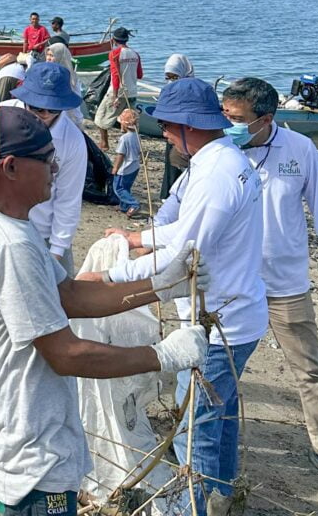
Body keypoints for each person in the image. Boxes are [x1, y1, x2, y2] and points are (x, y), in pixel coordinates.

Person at [0, 104, 208, 514]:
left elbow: (70, 295)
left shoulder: (6, 225)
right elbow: (65, 353)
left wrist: (161, 285)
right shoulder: (11, 246)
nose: (56, 169)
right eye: (48, 160)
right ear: (12, 167)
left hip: (26, 435)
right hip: (31, 450)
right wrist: (163, 356)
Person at [100, 78, 266, 514]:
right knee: (221, 415)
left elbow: (184, 257)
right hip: (238, 311)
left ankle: (197, 506)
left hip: (221, 321)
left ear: (191, 127)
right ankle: (224, 494)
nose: (167, 134)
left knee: (196, 428)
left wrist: (112, 276)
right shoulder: (218, 162)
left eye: (171, 127)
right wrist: (138, 237)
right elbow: (187, 227)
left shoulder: (217, 174)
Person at [221, 77, 318, 482]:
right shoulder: (221, 151)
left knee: (310, 369)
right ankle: (215, 443)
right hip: (233, 282)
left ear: (266, 119)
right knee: (221, 367)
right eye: (224, 115)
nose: (227, 124)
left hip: (286, 283)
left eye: (236, 118)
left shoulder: (300, 150)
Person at [0, 61, 86, 276]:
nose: (44, 114)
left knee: (60, 298)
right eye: (37, 107)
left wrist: (56, 253)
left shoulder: (73, 140)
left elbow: (68, 200)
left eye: (53, 109)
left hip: (44, 234)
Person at [94, 26, 141, 151]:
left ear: (114, 40)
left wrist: (115, 96)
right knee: (129, 121)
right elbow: (140, 75)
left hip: (119, 91)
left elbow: (115, 77)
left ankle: (104, 143)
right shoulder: (135, 54)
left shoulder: (114, 54)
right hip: (132, 91)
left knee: (100, 118)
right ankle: (131, 147)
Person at [160, 53, 194, 199]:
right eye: (168, 77)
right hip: (172, 133)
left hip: (189, 135)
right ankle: (168, 196)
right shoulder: (167, 90)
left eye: (174, 77)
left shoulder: (195, 89)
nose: (171, 81)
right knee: (171, 166)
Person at [111, 108, 142, 217]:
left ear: (124, 125)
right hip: (134, 166)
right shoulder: (137, 136)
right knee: (126, 187)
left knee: (119, 188)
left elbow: (121, 155)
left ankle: (134, 204)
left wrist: (115, 168)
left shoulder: (124, 138)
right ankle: (124, 206)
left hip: (125, 167)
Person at [45, 42, 83, 126]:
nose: (48, 58)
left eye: (52, 56)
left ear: (60, 57)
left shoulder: (65, 75)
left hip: (67, 116)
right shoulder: (51, 72)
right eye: (47, 55)